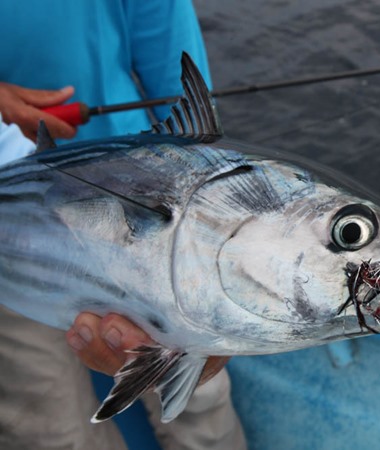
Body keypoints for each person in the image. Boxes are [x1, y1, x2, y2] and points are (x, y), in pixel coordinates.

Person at [0, 2, 246, 449]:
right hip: (14, 235)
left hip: (154, 212)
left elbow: (180, 86)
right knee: (46, 427)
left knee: (198, 402)